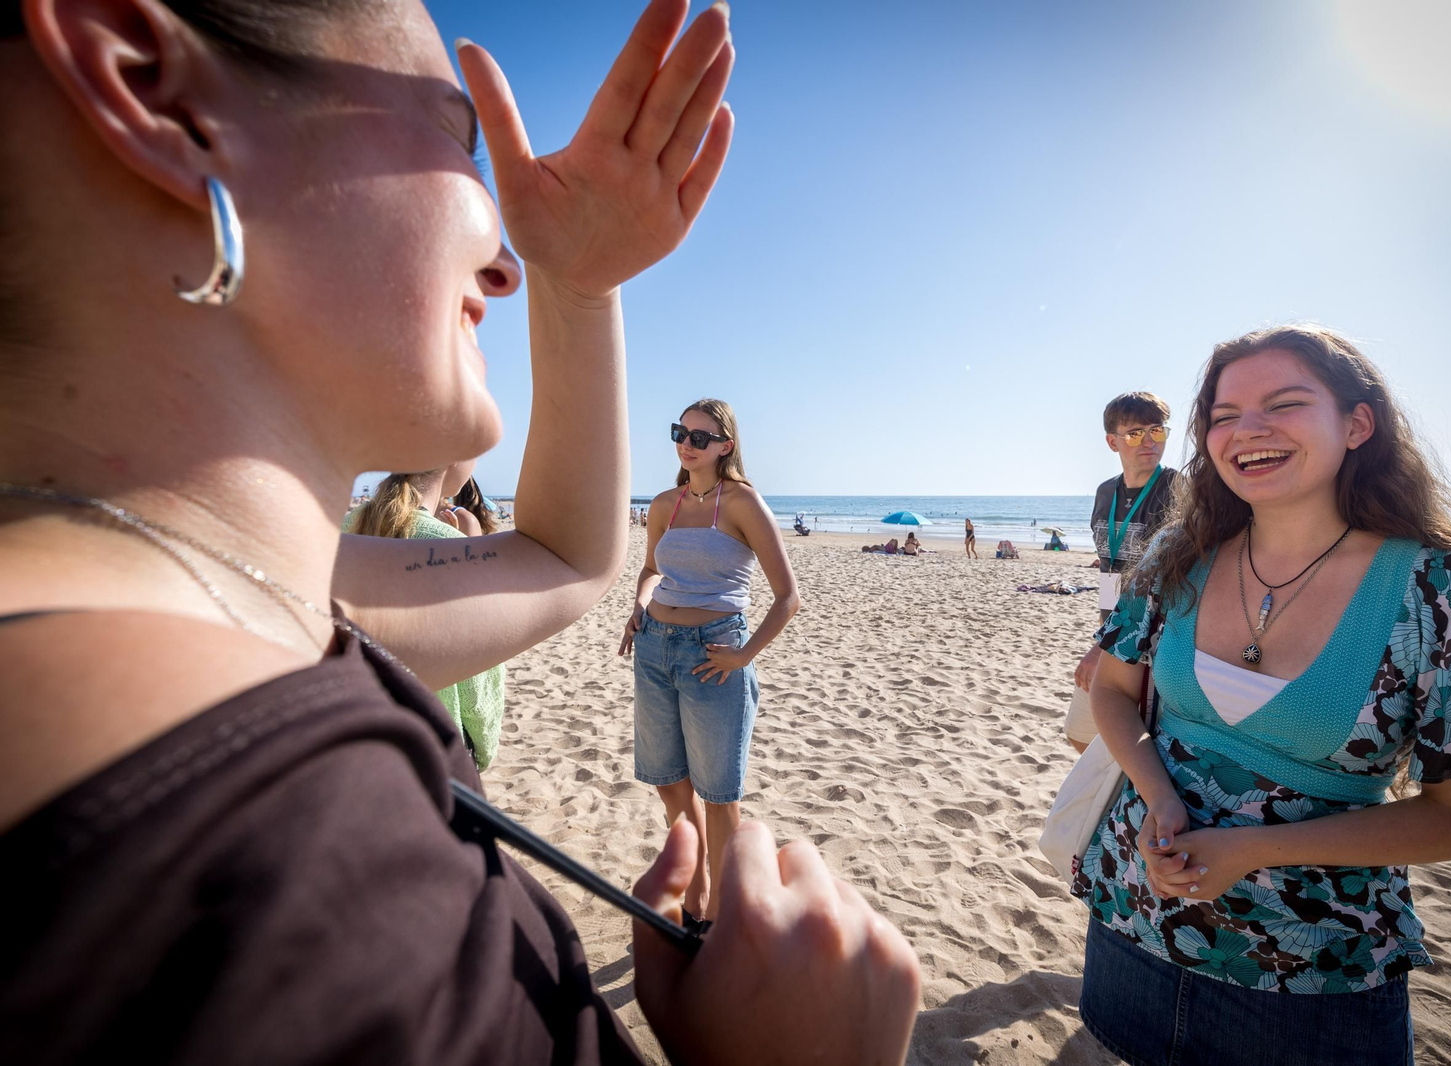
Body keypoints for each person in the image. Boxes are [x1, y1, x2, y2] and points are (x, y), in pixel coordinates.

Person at [0, 2, 922, 1063]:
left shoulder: (244, 585)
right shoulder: (287, 871)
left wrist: (581, 285)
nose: (503, 263)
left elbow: (562, 555)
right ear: (148, 85)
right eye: (453, 138)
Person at [1075, 326, 1451, 1065]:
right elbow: (1115, 693)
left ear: (1356, 423)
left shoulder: (1448, 588)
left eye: (1284, 403)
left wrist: (1252, 850)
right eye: (1224, 415)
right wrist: (1159, 794)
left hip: (1311, 976)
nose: (1249, 429)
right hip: (1133, 914)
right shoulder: (1176, 557)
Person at [618, 399, 801, 933]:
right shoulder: (663, 505)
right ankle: (695, 896)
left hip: (713, 655)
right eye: (681, 432)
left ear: (726, 445)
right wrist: (638, 607)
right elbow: (651, 569)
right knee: (669, 781)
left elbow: (787, 597)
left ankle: (722, 915)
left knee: (720, 794)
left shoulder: (742, 502)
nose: (687, 443)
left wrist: (745, 655)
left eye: (700, 437)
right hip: (653, 648)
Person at [343, 462, 504, 769]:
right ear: (454, 458)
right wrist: (482, 749)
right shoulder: (452, 547)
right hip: (433, 741)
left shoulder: (345, 527)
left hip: (355, 730)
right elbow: (477, 679)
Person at [1066, 391, 1181, 754]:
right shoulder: (1105, 492)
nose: (1149, 442)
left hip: (1159, 642)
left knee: (1132, 745)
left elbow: (1166, 582)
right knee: (1080, 735)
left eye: (1157, 431)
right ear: (1112, 441)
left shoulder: (1180, 489)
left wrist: (1105, 646)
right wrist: (1104, 635)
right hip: (1111, 633)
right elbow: (1109, 570)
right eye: (1134, 434)